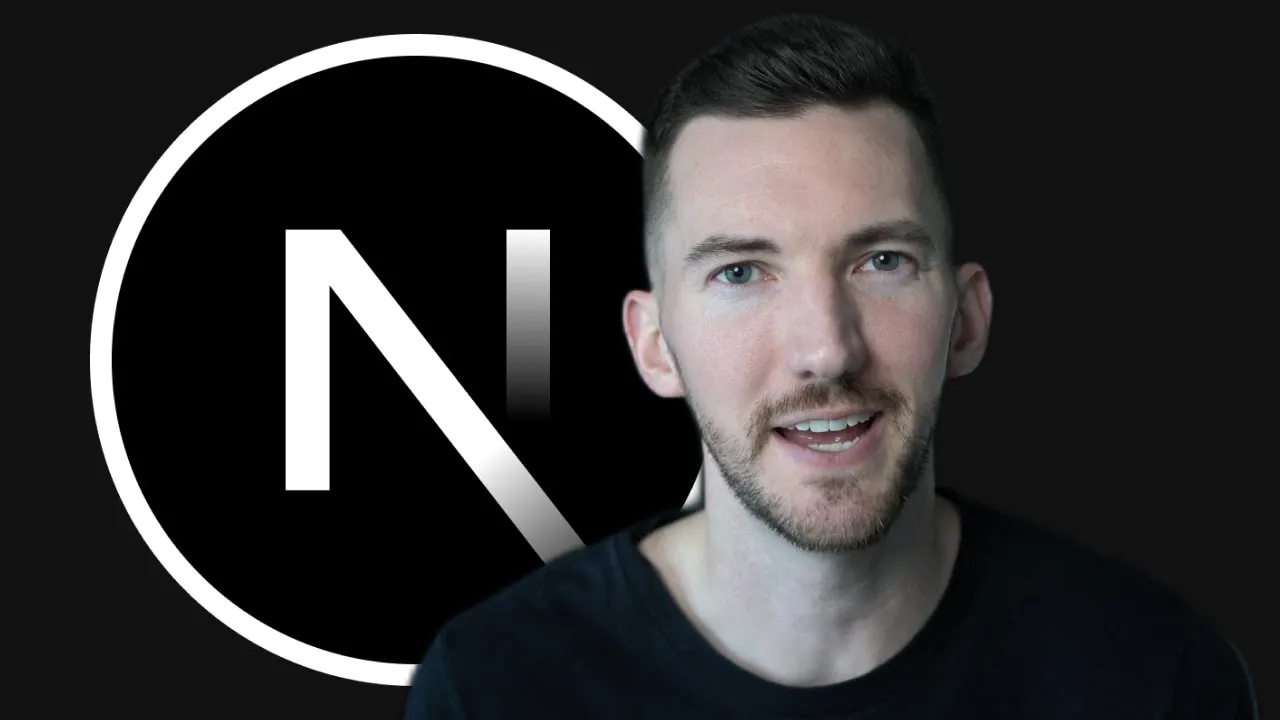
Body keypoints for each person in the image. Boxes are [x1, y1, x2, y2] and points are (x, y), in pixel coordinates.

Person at [404, 14, 1257, 719]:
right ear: (654, 344)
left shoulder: (1158, 678)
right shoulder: (494, 687)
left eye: (882, 262)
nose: (827, 350)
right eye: (741, 273)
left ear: (967, 320)